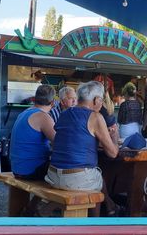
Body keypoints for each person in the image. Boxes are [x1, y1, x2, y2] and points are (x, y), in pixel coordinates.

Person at [44, 81, 120, 217]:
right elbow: (113, 153)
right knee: (98, 180)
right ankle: (93, 224)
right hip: (75, 179)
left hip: (53, 175)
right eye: (101, 100)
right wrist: (114, 134)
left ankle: (107, 210)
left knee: (95, 175)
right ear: (96, 100)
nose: (101, 103)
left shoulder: (64, 113)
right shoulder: (96, 117)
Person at [10, 84, 56, 215]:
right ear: (52, 103)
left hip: (17, 167)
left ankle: (32, 207)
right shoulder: (43, 117)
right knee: (68, 173)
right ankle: (40, 210)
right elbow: (59, 143)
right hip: (30, 170)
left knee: (55, 169)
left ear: (35, 99)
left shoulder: (25, 113)